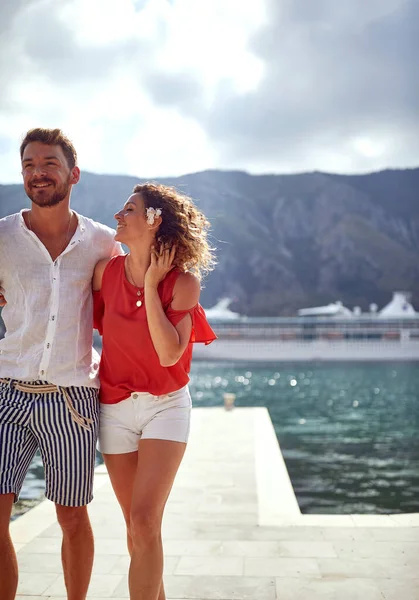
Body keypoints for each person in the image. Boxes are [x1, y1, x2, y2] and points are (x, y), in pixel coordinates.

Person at [0, 128, 122, 600]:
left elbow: (125, 302)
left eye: (48, 163)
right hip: (6, 391)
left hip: (71, 400)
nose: (38, 172)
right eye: (29, 164)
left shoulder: (104, 243)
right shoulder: (3, 237)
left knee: (72, 516)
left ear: (73, 173)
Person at [92, 183, 216, 600]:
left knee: (144, 522)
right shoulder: (103, 273)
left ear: (153, 220)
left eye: (128, 209)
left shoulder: (183, 283)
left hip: (166, 406)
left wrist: (150, 284)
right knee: (136, 530)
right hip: (114, 407)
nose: (118, 216)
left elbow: (168, 355)